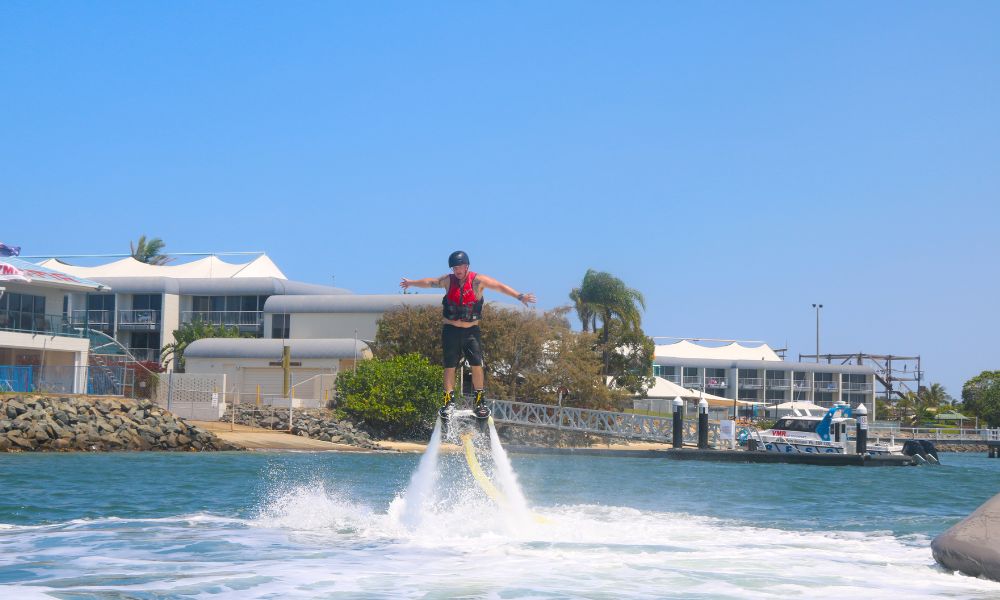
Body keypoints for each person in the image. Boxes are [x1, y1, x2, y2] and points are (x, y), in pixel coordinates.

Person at [400, 250, 536, 422]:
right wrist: (411, 283)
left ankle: (479, 402)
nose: (457, 270)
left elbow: (499, 286)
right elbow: (429, 282)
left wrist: (519, 296)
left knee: (476, 365)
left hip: (471, 332)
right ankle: (448, 402)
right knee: (449, 366)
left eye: (460, 267)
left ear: (467, 267)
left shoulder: (478, 281)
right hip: (451, 331)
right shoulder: (448, 281)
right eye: (454, 267)